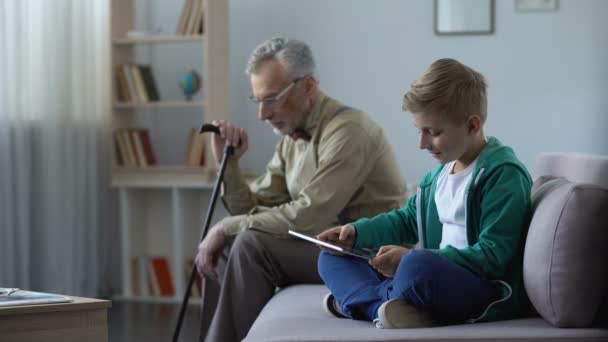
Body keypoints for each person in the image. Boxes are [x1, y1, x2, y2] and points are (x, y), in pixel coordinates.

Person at [194, 37, 408, 342]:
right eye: (258, 101)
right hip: (326, 245)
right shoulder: (291, 139)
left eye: (271, 99)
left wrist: (226, 226)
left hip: (369, 257)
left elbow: (309, 215)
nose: (262, 114)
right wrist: (228, 164)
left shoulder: (349, 132)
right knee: (229, 244)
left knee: (250, 244)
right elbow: (253, 207)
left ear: (308, 86)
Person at [318, 58, 532, 329]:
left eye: (433, 132)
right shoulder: (439, 175)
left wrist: (409, 260)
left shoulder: (503, 175)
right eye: (419, 131)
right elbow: (407, 220)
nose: (422, 143)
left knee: (418, 266)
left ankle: (358, 302)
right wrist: (355, 233)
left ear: (473, 125)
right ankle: (383, 306)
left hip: (481, 289)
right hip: (433, 278)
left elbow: (493, 256)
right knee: (332, 256)